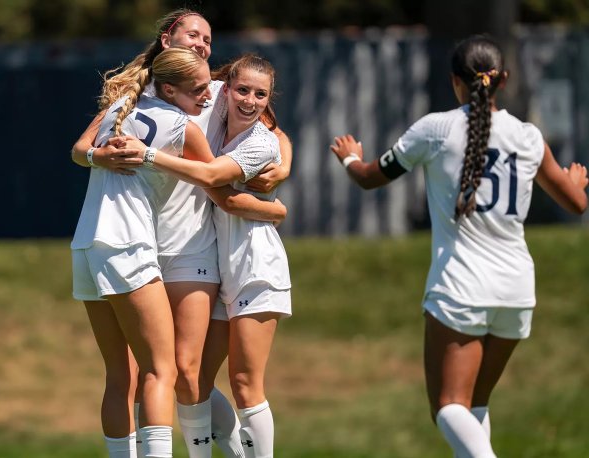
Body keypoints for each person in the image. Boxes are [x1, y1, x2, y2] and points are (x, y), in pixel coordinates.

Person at [329, 34, 588, 458]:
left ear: (454, 81)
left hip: (461, 289)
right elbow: (577, 202)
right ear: (502, 80)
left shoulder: (435, 129)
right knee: (474, 407)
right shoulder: (527, 136)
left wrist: (349, 158)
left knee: (448, 407)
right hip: (517, 291)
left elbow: (371, 176)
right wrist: (574, 182)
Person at [73, 9, 292, 458]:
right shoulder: (142, 98)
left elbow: (270, 132)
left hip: (181, 245)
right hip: (141, 245)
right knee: (150, 372)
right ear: (167, 37)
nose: (203, 44)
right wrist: (273, 211)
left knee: (181, 372)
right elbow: (82, 148)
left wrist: (282, 170)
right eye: (194, 34)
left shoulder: (204, 90)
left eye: (209, 39)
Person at [71, 46, 217, 458]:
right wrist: (270, 195)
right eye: (198, 90)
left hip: (86, 246)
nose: (206, 97)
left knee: (121, 376)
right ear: (169, 89)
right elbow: (216, 182)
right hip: (127, 245)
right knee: (161, 370)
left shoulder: (121, 105)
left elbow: (78, 151)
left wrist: (98, 156)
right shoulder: (182, 127)